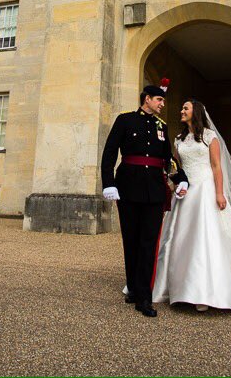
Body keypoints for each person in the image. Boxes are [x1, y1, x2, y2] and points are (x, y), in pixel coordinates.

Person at [152, 98, 231, 311]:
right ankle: (180, 287)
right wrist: (173, 184)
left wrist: (219, 193)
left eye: (185, 108)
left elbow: (216, 166)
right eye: (182, 107)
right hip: (186, 192)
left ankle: (206, 291)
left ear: (195, 112)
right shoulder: (179, 138)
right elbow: (176, 166)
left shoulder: (209, 136)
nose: (181, 110)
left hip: (205, 190)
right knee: (180, 238)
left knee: (205, 237)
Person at [101, 78, 189, 317]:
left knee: (149, 243)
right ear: (147, 99)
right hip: (128, 187)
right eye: (159, 99)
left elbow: (167, 158)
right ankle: (133, 288)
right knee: (131, 240)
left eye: (163, 100)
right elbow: (109, 152)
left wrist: (180, 178)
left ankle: (144, 297)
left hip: (153, 190)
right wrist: (108, 183)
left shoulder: (161, 125)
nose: (162, 104)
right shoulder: (125, 120)